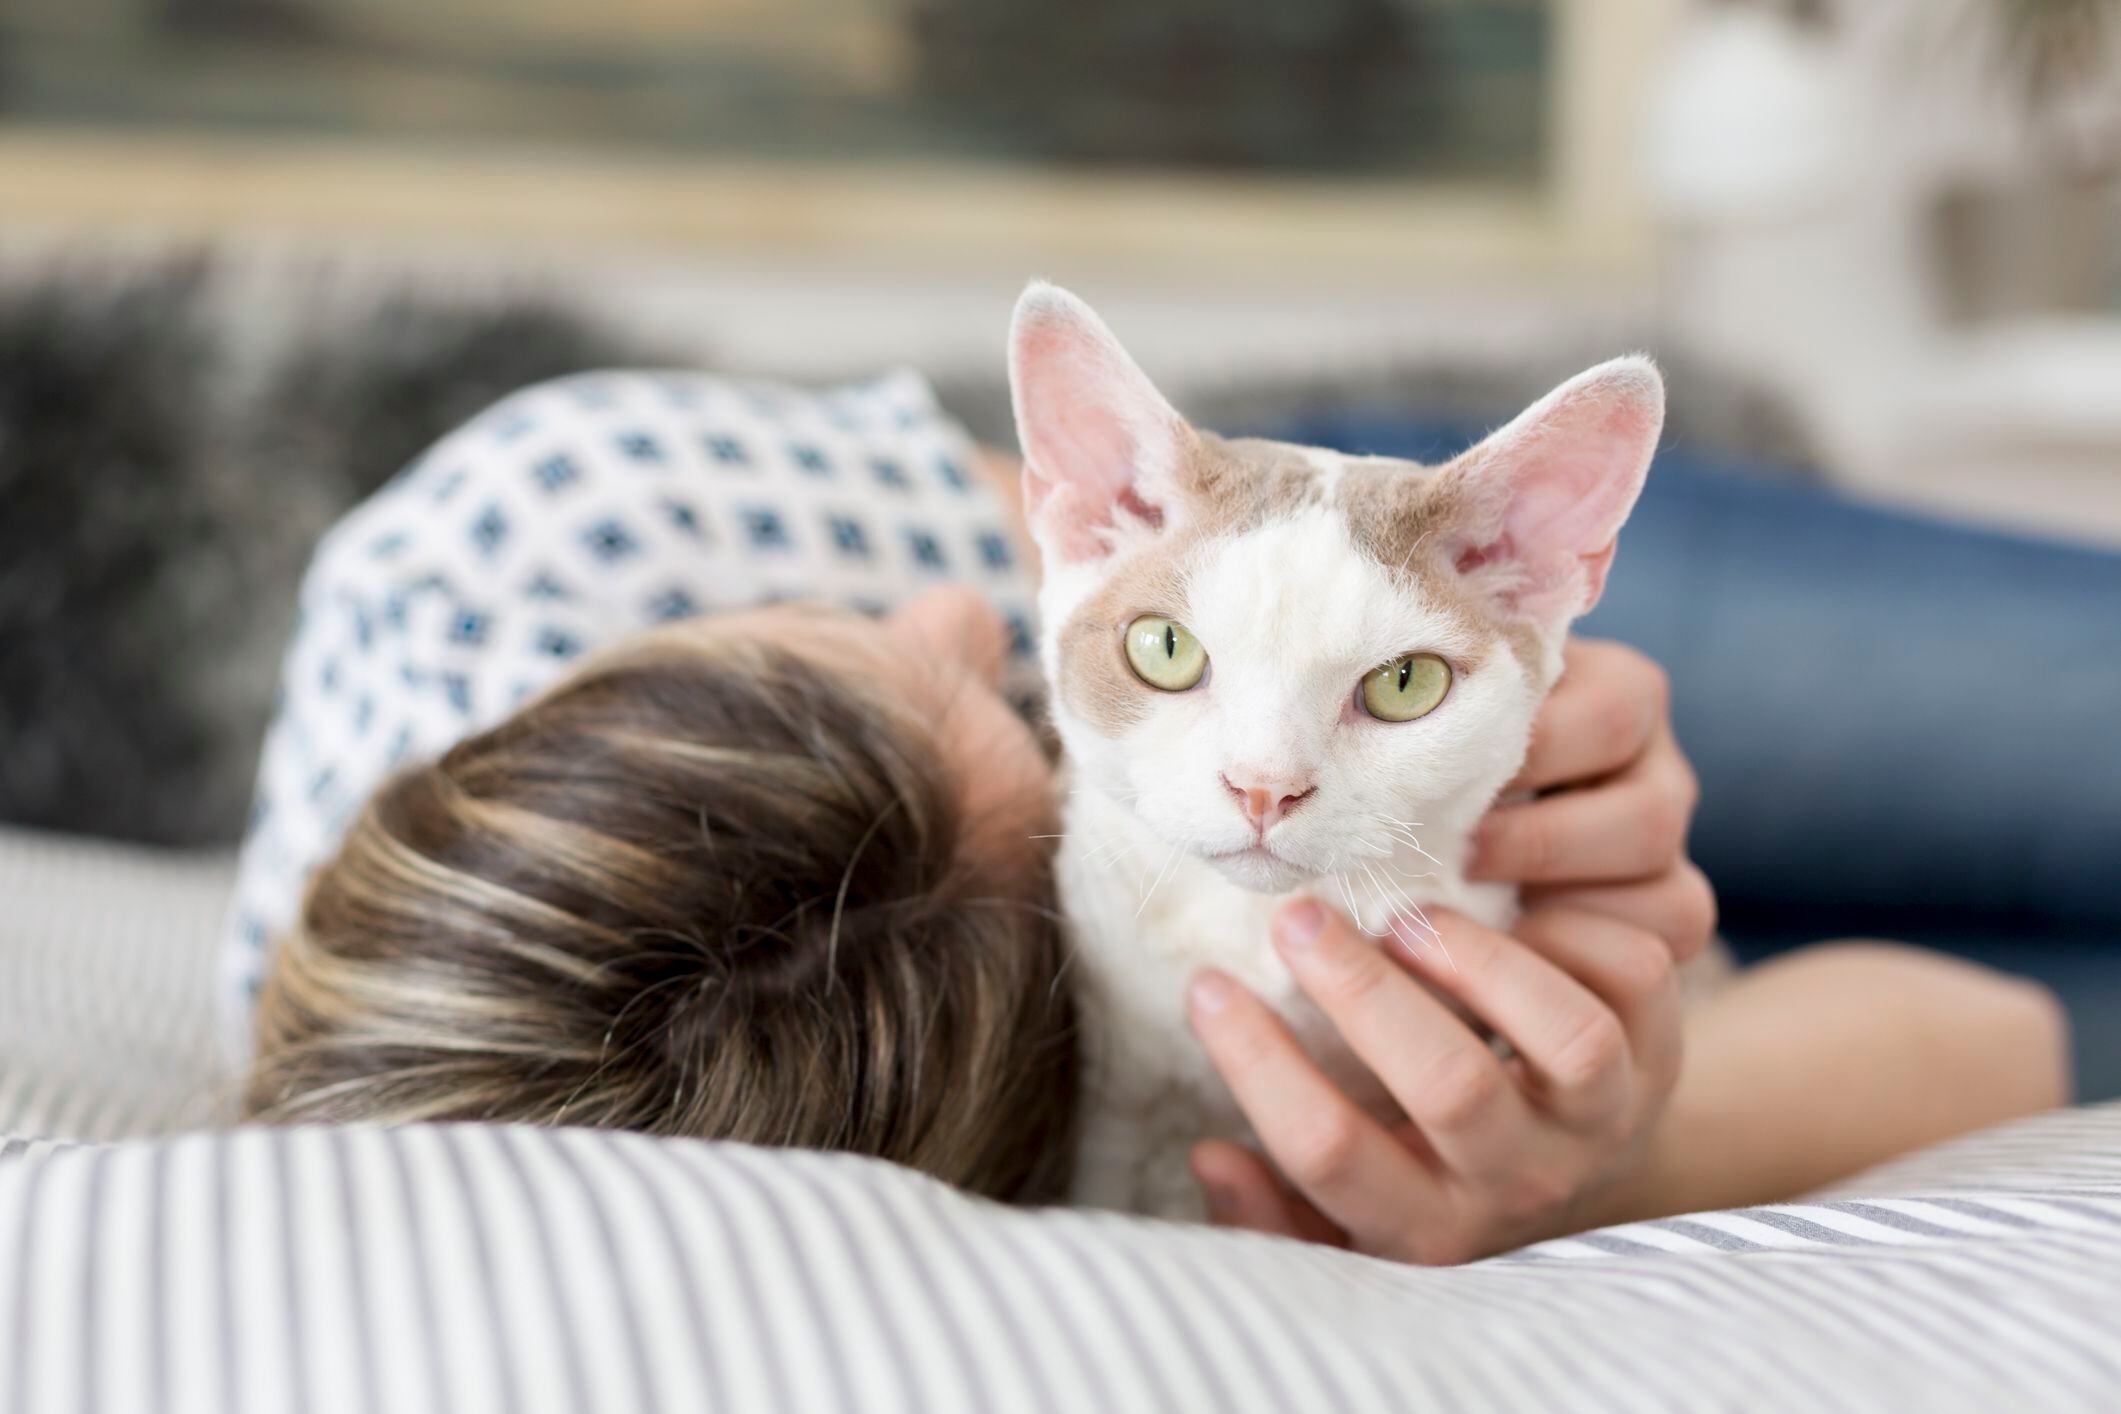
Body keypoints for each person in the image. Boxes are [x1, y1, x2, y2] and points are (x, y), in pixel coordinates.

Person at [229, 366, 2066, 1257]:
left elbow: (1116, 530)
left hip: (1341, 580)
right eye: (998, 715)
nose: (955, 617)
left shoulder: (548, 531)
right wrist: (1608, 1140)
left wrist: (1542, 710)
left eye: (877, 650)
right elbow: (2002, 1047)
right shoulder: (966, 1080)